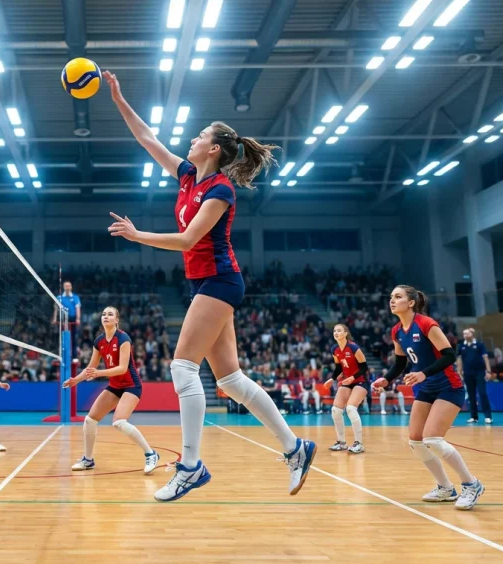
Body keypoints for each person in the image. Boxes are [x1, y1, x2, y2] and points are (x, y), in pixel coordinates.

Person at [103, 70, 315, 502]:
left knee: (182, 367)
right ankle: (296, 448)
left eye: (200, 135)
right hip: (207, 281)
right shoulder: (187, 177)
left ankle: (190, 466)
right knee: (231, 379)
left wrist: (138, 234)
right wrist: (117, 98)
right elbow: (147, 138)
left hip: (220, 280)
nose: (192, 139)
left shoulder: (220, 190)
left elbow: (186, 240)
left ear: (213, 148)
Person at [372, 285, 484, 510]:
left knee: (432, 438)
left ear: (411, 302)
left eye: (398, 297)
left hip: (447, 386)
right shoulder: (397, 331)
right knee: (415, 440)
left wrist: (423, 373)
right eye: (391, 297)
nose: (392, 300)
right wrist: (387, 379)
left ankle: (471, 484)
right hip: (426, 388)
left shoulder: (425, 324)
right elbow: (402, 362)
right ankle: (445, 488)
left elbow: (450, 355)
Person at [63, 306, 160, 474]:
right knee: (89, 420)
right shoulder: (99, 341)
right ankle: (88, 460)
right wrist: (76, 380)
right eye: (103, 314)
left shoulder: (123, 338)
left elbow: (122, 368)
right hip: (115, 386)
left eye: (110, 314)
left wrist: (100, 373)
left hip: (131, 385)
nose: (106, 316)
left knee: (119, 422)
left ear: (117, 320)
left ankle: (151, 454)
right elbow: (91, 367)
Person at [324, 324, 368, 454]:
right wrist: (332, 379)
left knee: (350, 408)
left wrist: (353, 377)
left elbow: (364, 368)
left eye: (339, 330)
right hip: (347, 381)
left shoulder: (353, 347)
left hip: (361, 381)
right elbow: (339, 367)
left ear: (345, 333)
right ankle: (341, 442)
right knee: (336, 410)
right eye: (334, 331)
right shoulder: (335, 349)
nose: (336, 333)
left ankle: (359, 443)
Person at [456, 328, 492, 424]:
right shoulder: (461, 346)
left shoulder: (480, 345)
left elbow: (485, 357)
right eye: (464, 333)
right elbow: (459, 359)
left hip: (480, 372)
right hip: (467, 373)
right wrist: (459, 371)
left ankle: (488, 416)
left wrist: (488, 371)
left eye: (467, 333)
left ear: (472, 334)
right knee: (471, 395)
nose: (465, 335)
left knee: (482, 393)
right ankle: (474, 417)